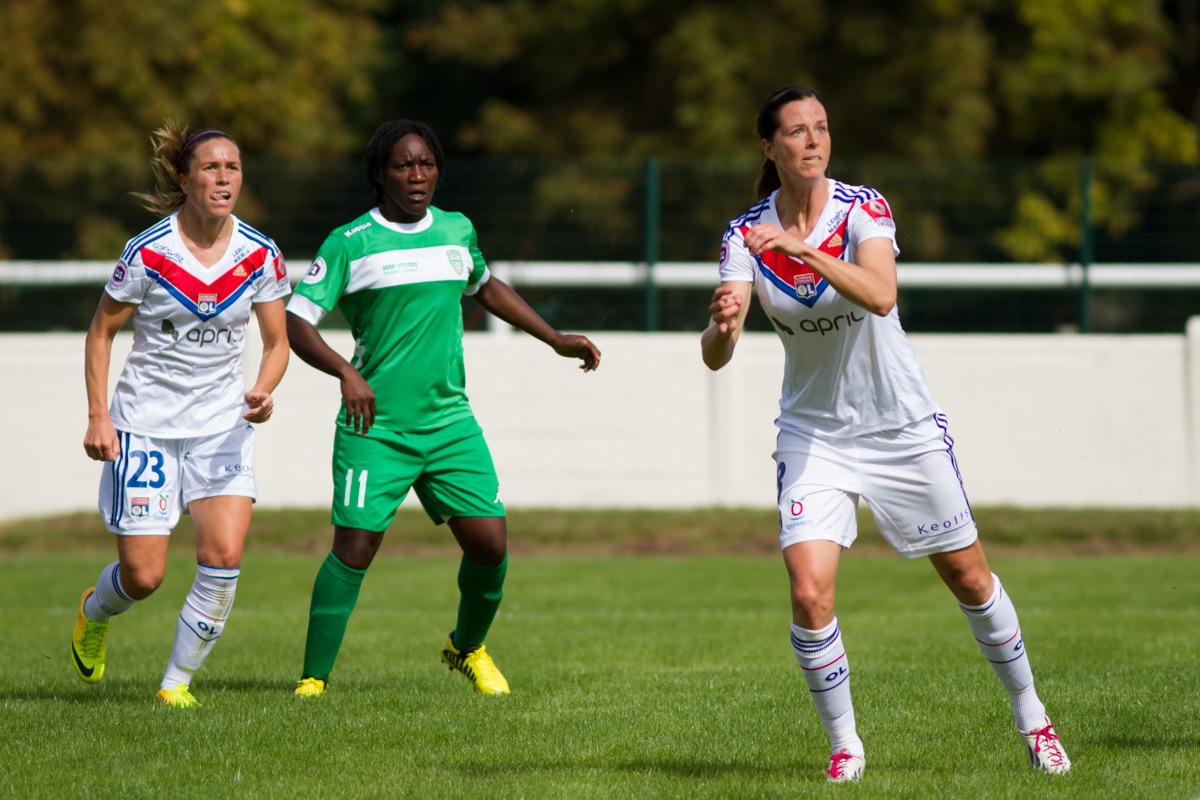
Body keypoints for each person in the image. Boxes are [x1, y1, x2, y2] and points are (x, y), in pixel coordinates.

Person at [701, 86, 1070, 782]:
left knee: (969, 577)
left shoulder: (862, 207)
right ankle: (846, 747)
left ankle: (1033, 717)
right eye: (797, 131)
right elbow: (716, 354)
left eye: (822, 128)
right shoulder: (743, 233)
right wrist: (720, 327)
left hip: (900, 427)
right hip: (813, 435)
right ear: (769, 147)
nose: (813, 141)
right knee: (809, 594)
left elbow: (880, 293)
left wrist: (801, 251)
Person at [287, 119, 600, 698]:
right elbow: (296, 322)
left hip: (449, 422)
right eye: (404, 165)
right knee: (354, 548)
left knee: (491, 544)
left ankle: (466, 648)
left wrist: (555, 338)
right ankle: (314, 679)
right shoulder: (350, 241)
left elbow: (484, 286)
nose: (417, 175)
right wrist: (346, 371)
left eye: (426, 164)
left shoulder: (457, 230)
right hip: (375, 427)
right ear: (379, 174)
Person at [71, 122, 290, 708]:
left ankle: (175, 686)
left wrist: (264, 391)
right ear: (184, 178)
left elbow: (276, 343)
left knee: (224, 557)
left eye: (233, 168)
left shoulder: (260, 254)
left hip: (221, 427)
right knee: (144, 577)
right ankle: (95, 611)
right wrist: (100, 416)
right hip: (143, 426)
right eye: (212, 168)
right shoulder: (149, 252)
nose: (224, 178)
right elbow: (101, 333)